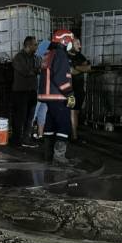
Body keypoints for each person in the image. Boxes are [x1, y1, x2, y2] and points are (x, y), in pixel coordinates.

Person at [38, 30, 76, 166]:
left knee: (50, 124)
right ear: (65, 41)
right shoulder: (60, 54)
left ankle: (48, 154)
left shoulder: (48, 54)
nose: (71, 44)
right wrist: (70, 93)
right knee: (64, 124)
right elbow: (60, 77)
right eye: (70, 41)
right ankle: (59, 157)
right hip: (57, 96)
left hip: (47, 95)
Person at [11, 36, 40, 147]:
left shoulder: (34, 58)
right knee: (20, 117)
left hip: (31, 91)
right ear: (28, 45)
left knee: (29, 117)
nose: (36, 46)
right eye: (35, 44)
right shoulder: (19, 57)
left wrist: (36, 70)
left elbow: (34, 71)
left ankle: (26, 139)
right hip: (20, 91)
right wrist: (36, 70)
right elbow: (26, 71)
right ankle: (17, 140)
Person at [68, 37, 90, 143]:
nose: (79, 46)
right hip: (70, 90)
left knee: (76, 111)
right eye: (77, 43)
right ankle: (74, 136)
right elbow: (71, 72)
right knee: (72, 111)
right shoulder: (66, 55)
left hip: (79, 90)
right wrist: (81, 69)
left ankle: (73, 134)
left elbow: (89, 68)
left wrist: (76, 67)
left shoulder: (80, 56)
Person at [33, 39, 51, 140]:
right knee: (38, 111)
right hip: (42, 89)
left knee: (40, 111)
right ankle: (38, 134)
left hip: (43, 89)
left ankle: (39, 134)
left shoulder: (39, 58)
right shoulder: (41, 59)